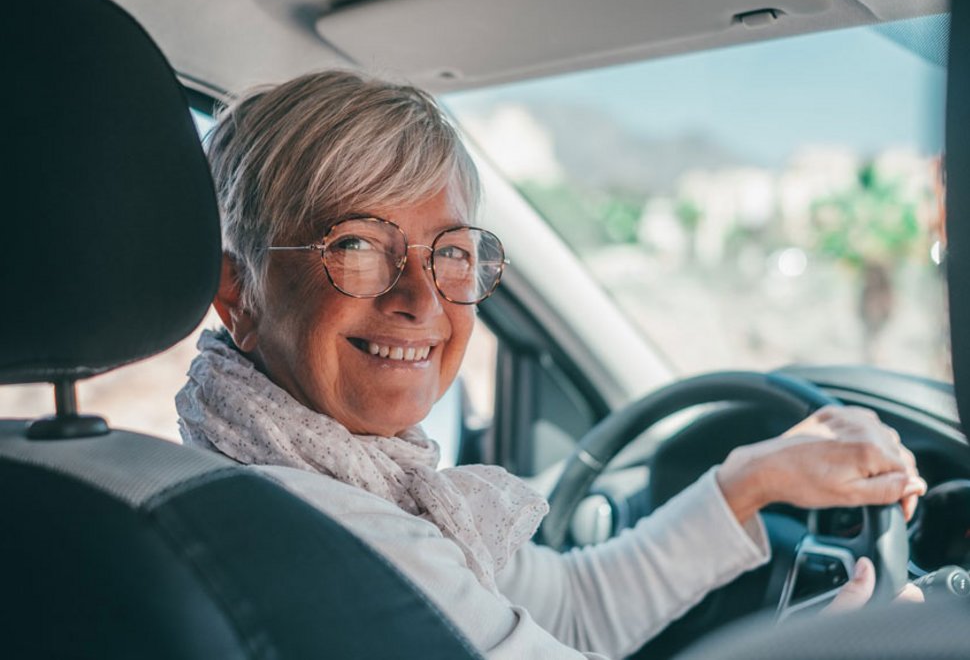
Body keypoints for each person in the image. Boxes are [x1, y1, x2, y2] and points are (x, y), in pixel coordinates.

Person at [176, 70, 926, 659]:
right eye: (358, 245)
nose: (421, 297)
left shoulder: (287, 480)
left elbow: (566, 613)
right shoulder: (328, 534)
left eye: (452, 253)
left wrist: (752, 482)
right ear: (236, 290)